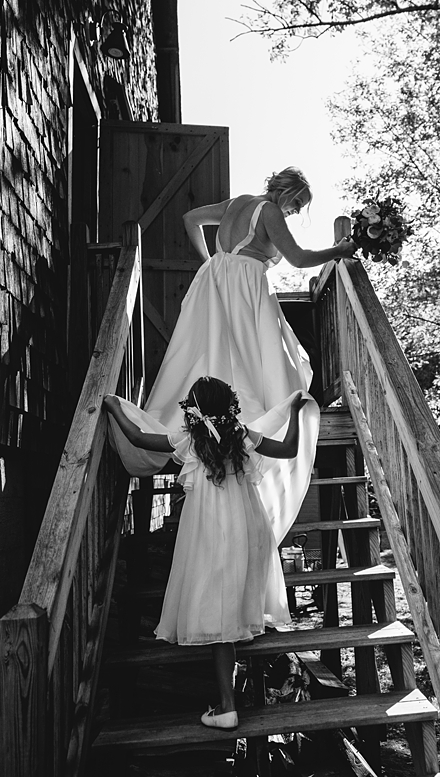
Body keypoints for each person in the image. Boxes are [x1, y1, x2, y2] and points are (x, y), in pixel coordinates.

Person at [107, 167, 355, 576]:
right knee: (253, 351)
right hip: (244, 283)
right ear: (287, 193)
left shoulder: (238, 202)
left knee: (209, 349)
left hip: (216, 278)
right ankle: (260, 414)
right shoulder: (270, 212)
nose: (293, 212)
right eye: (297, 204)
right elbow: (297, 259)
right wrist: (338, 252)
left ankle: (201, 412)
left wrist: (212, 262)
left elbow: (190, 220)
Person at [104, 378, 312, 729]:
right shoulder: (243, 436)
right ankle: (230, 698)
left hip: (207, 533)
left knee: (217, 610)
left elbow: (139, 438)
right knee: (230, 602)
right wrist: (292, 411)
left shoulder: (188, 440)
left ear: (194, 409)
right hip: (246, 529)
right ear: (230, 405)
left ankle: (228, 706)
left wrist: (114, 408)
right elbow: (290, 448)